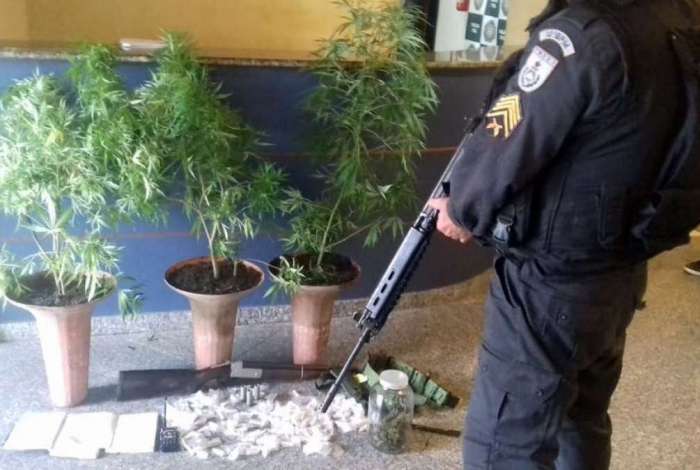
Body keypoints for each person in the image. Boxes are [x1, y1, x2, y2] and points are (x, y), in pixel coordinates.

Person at [428, 0, 699, 468]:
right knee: (581, 419)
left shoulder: (580, 35)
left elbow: (509, 138)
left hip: (550, 284)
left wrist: (461, 207)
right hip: (621, 268)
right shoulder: (679, 16)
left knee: (504, 446)